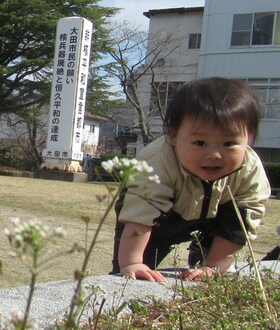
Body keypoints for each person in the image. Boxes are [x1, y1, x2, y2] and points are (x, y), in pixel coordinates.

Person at [111, 77, 271, 282]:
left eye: (229, 142)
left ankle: (205, 261)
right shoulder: (156, 162)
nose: (214, 154)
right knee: (135, 268)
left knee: (210, 265)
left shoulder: (249, 170)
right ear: (173, 136)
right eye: (200, 142)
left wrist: (213, 267)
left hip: (216, 216)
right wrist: (131, 262)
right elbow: (139, 216)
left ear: (248, 137)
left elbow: (240, 223)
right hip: (161, 217)